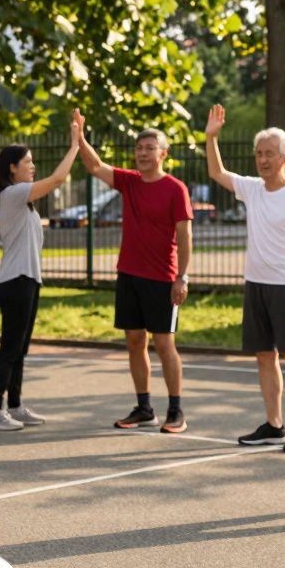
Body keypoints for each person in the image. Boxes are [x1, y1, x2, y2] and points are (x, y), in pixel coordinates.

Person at [205, 106, 285, 452]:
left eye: (269, 153)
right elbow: (217, 171)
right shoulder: (251, 188)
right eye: (258, 154)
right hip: (255, 284)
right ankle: (274, 424)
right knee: (264, 357)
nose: (262, 159)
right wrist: (211, 137)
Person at [76, 120, 193, 433]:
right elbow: (95, 166)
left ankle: (176, 410)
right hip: (129, 275)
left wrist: (182, 277)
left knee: (165, 344)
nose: (142, 153)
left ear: (163, 153)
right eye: (139, 148)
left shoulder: (175, 189)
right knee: (134, 341)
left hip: (163, 279)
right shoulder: (129, 182)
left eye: (149, 148)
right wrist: (81, 138)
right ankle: (144, 408)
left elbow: (184, 236)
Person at [0, 111, 83, 431]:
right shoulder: (12, 195)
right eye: (27, 162)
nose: (32, 166)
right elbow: (57, 180)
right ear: (12, 168)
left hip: (27, 279)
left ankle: (15, 405)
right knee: (11, 348)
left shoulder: (22, 200)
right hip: (15, 281)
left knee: (21, 349)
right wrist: (75, 146)